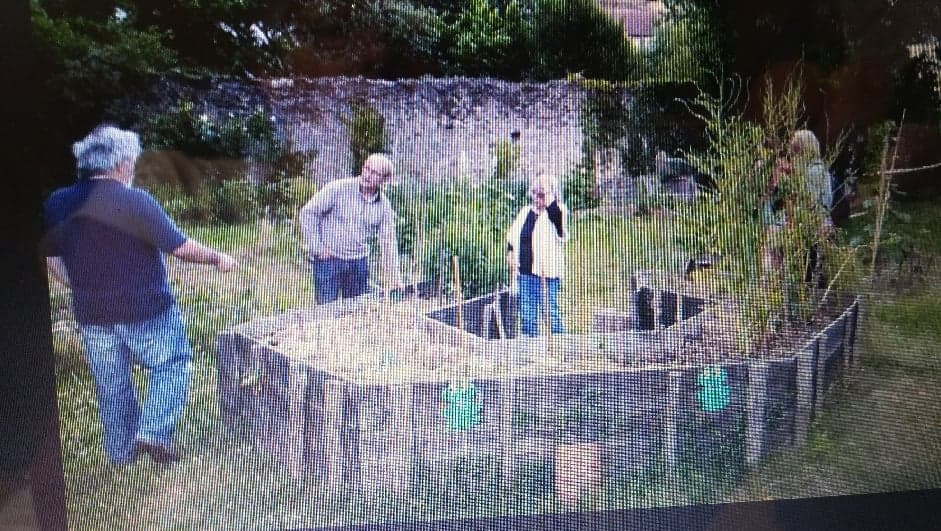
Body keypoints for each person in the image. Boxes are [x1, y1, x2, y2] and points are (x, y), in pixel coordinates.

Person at [41, 125, 238, 465]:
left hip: (92, 314)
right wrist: (217, 257)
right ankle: (154, 432)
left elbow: (51, 258)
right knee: (173, 362)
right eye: (131, 160)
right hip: (145, 309)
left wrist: (77, 285)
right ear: (120, 163)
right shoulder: (134, 201)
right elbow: (180, 248)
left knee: (112, 386)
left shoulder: (57, 203)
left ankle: (121, 456)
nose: (133, 166)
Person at [298, 153, 403, 304]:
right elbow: (308, 213)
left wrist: (394, 278)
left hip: (358, 264)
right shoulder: (338, 188)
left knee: (355, 315)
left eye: (375, 173)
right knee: (326, 314)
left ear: (384, 180)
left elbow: (388, 241)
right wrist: (317, 248)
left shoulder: (384, 206)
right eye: (367, 168)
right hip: (329, 261)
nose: (367, 175)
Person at [506, 173, 570, 337]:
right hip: (525, 274)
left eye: (540, 194)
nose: (536, 198)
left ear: (550, 195)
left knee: (551, 315)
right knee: (527, 318)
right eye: (534, 193)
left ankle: (561, 349)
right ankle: (531, 353)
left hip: (547, 274)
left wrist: (548, 194)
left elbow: (560, 229)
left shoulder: (557, 211)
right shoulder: (525, 212)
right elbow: (512, 237)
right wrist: (511, 254)